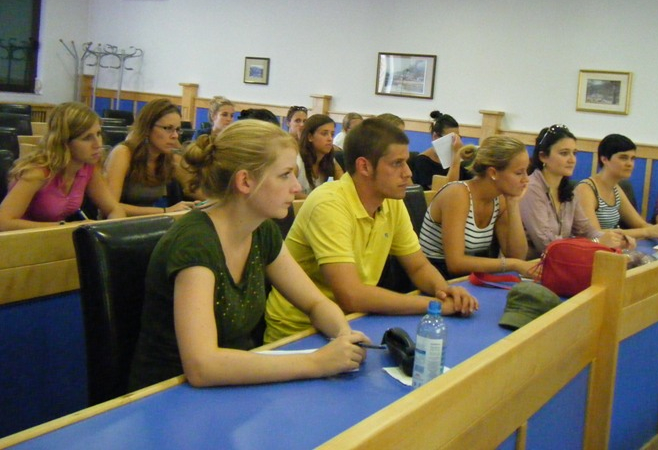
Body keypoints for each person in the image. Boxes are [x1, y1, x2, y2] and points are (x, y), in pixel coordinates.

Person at [128, 120, 368, 390]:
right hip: (169, 393)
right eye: (285, 175)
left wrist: (343, 335)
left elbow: (315, 304)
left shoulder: (262, 231)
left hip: (236, 382)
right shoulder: (194, 243)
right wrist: (317, 362)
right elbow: (202, 366)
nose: (296, 187)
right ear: (245, 181)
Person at [264, 118, 478, 343]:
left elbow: (418, 266)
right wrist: (433, 305)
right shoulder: (329, 204)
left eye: (406, 162)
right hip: (299, 331)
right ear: (364, 166)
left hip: (354, 321)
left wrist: (444, 291)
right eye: (397, 163)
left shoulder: (391, 202)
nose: (408, 173)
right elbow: (351, 295)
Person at [419, 135, 538, 279]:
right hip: (434, 276)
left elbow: (516, 256)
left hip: (468, 278)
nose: (526, 179)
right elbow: (455, 263)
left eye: (526, 171)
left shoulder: (501, 199)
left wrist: (513, 203)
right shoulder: (457, 194)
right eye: (519, 173)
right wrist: (513, 264)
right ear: (493, 173)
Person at [0, 102, 125, 231]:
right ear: (64, 142)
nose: (98, 144)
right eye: (87, 138)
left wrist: (112, 229)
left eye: (98, 134)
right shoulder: (38, 172)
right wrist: (67, 227)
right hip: (22, 239)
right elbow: (3, 222)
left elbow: (114, 209)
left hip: (55, 236)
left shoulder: (88, 167)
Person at [519, 125, 632, 258]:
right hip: (531, 264)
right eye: (564, 153)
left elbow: (586, 230)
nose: (572, 160)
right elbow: (546, 245)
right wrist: (597, 242)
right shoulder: (531, 188)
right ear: (543, 156)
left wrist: (615, 239)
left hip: (561, 261)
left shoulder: (567, 190)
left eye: (574, 153)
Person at [105, 99, 196, 216]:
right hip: (119, 222)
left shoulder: (169, 157)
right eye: (168, 128)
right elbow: (110, 206)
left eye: (177, 130)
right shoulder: (123, 153)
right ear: (147, 128)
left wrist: (204, 203)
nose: (175, 135)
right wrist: (165, 211)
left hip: (148, 221)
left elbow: (195, 189)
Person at [574, 134, 658, 242]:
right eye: (623, 158)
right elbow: (594, 234)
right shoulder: (586, 189)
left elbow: (640, 224)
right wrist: (647, 232)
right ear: (604, 159)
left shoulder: (616, 188)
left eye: (632, 159)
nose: (630, 164)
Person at [412, 110, 470, 191]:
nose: (456, 143)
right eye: (451, 138)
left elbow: (469, 181)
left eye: (458, 137)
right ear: (435, 136)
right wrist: (456, 156)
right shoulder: (422, 161)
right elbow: (446, 191)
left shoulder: (453, 158)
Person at [296, 114, 344, 198]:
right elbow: (285, 191)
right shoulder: (297, 160)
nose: (330, 138)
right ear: (310, 137)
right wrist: (318, 200)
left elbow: (344, 185)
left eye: (332, 134)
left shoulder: (330, 160)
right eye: (324, 134)